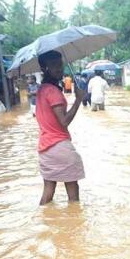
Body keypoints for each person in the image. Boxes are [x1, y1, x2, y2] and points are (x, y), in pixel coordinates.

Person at [35, 50, 85, 205]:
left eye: (60, 64)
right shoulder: (53, 92)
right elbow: (63, 122)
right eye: (54, 65)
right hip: (60, 146)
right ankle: (76, 226)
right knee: (73, 197)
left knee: (48, 193)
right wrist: (78, 100)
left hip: (45, 147)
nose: (59, 68)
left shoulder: (41, 90)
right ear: (45, 68)